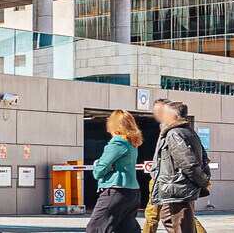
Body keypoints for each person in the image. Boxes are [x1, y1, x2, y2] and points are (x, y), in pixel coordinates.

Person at [148, 98, 211, 233]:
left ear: (173, 115)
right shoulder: (188, 131)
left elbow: (189, 163)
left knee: (182, 225)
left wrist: (203, 181)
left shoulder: (174, 133)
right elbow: (203, 158)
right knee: (167, 217)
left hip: (178, 186)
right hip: (177, 186)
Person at [87, 109, 142, 233]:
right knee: (127, 229)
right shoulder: (132, 143)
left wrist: (98, 170)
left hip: (116, 191)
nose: (107, 122)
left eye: (109, 120)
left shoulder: (117, 142)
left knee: (95, 228)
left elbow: (101, 168)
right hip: (132, 192)